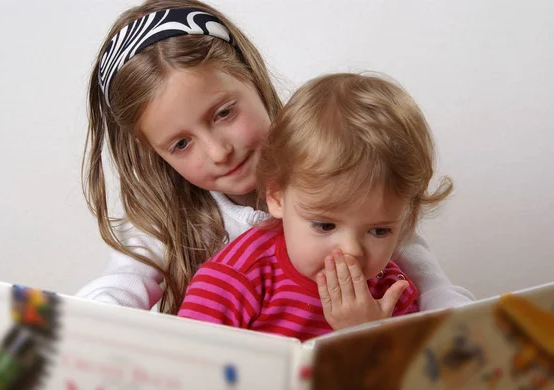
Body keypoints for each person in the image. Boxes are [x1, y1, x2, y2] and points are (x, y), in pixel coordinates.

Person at [77, 0, 474, 315]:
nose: (218, 151)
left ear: (252, 77)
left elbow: (418, 267)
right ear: (156, 154)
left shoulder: (324, 153)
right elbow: (121, 284)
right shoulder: (164, 219)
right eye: (181, 144)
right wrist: (82, 322)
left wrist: (450, 313)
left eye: (224, 113)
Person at [177, 73, 449, 340]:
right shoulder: (235, 279)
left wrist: (368, 337)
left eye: (379, 231)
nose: (351, 251)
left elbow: (412, 382)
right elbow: (190, 366)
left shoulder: (390, 291)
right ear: (276, 197)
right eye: (325, 225)